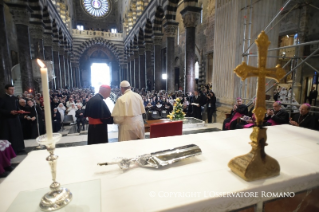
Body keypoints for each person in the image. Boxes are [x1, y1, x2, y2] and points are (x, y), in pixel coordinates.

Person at [0, 84, 25, 154]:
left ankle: (19, 148)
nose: (12, 91)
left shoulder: (15, 98)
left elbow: (17, 107)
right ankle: (12, 150)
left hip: (16, 119)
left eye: (13, 89)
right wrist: (9, 112)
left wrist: (19, 111)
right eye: (11, 89)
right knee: (10, 134)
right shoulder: (2, 98)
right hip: (7, 120)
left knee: (18, 134)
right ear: (6, 90)